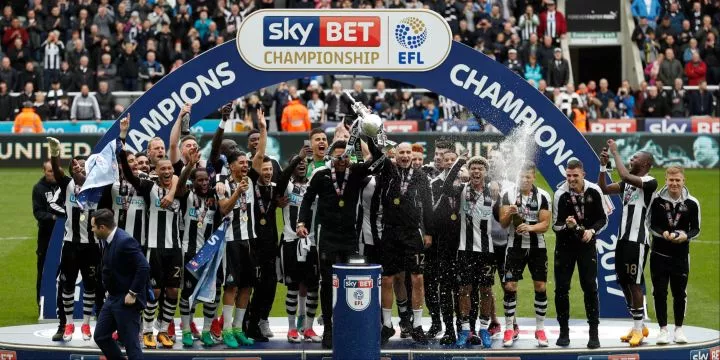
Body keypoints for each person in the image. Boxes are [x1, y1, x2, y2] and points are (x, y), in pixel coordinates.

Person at [297, 134, 383, 349]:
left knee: (350, 282)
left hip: (350, 238)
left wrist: (365, 135)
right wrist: (301, 222)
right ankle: (328, 328)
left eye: (345, 157)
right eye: (337, 157)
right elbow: (307, 199)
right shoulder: (321, 174)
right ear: (330, 158)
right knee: (326, 283)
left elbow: (377, 159)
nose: (341, 160)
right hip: (327, 236)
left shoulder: (356, 173)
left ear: (350, 157)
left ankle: (348, 325)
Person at [118, 117, 181, 349]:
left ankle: (163, 330)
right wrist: (122, 138)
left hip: (174, 246)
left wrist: (175, 187)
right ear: (155, 170)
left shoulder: (180, 188)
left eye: (169, 169)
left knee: (173, 289)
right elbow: (128, 171)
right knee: (154, 289)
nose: (166, 171)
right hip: (153, 245)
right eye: (162, 168)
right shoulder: (147, 186)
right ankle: (147, 331)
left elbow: (181, 175)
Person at [598, 140, 657, 347]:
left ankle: (639, 328)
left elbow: (623, 175)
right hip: (623, 240)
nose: (632, 159)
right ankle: (637, 326)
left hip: (637, 241)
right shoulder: (627, 185)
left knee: (634, 282)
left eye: (635, 158)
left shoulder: (650, 181)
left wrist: (615, 153)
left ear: (646, 164)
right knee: (623, 282)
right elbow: (604, 189)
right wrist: (603, 167)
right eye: (631, 157)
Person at [378, 142, 433, 346]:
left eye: (408, 152)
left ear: (413, 154)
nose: (405, 156)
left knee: (417, 278)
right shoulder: (388, 171)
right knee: (387, 279)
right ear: (395, 154)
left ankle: (417, 325)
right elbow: (377, 155)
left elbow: (428, 207)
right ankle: (386, 325)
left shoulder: (421, 176)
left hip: (412, 233)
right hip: (391, 231)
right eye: (401, 152)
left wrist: (429, 233)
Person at [442, 154, 496, 348]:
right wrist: (458, 164)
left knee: (486, 290)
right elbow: (446, 187)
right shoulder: (462, 190)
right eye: (473, 168)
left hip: (488, 250)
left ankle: (484, 328)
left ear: (485, 173)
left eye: (480, 169)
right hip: (465, 250)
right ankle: (465, 330)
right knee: (464, 289)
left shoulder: (494, 191)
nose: (476, 171)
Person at [552, 159, 607, 349]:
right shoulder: (560, 193)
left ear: (583, 174)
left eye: (575, 175)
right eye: (568, 175)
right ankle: (563, 332)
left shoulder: (594, 190)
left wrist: (591, 231)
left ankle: (594, 334)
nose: (571, 179)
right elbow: (555, 225)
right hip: (565, 247)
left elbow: (603, 219)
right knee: (561, 289)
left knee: (590, 288)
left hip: (587, 245)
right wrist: (567, 227)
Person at [47, 137, 97, 342]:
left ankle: (86, 324)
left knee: (91, 285)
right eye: (76, 165)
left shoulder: (99, 188)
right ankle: (68, 324)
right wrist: (55, 153)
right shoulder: (67, 185)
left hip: (92, 245)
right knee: (66, 286)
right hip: (70, 245)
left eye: (84, 165)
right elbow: (57, 171)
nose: (79, 168)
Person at [499, 162, 551, 347]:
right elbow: (503, 223)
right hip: (514, 246)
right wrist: (510, 213)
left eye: (528, 177)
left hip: (538, 247)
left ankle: (540, 329)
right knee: (510, 286)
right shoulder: (508, 194)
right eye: (522, 176)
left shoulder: (543, 196)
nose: (525, 179)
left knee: (540, 286)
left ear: (533, 177)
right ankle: (508, 329)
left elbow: (545, 224)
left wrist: (530, 227)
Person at [647, 166, 701, 345]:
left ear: (683, 180)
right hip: (659, 254)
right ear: (666, 180)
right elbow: (651, 224)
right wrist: (663, 233)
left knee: (680, 293)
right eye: (671, 180)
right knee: (659, 292)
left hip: (681, 255)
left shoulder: (692, 203)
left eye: (678, 180)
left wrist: (686, 235)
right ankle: (662, 329)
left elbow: (696, 228)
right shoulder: (656, 200)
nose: (674, 184)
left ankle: (679, 329)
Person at [276, 147, 322, 343]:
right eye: (297, 163)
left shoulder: (314, 185)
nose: (302, 164)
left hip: (312, 242)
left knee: (313, 287)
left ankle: (309, 328)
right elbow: (280, 180)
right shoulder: (286, 187)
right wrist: (298, 157)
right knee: (293, 286)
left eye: (304, 162)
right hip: (291, 241)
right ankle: (292, 328)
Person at [92, 208, 150, 360]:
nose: (92, 230)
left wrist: (132, 293)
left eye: (93, 227)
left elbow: (143, 266)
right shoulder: (108, 240)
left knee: (132, 346)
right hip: (112, 299)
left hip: (126, 301)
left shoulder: (125, 241)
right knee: (101, 336)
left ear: (102, 227)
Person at [32, 160, 66, 315]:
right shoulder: (38, 188)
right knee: (44, 271)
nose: (52, 174)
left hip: (66, 236)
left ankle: (65, 304)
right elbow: (38, 213)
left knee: (66, 270)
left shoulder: (65, 185)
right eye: (49, 171)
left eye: (54, 171)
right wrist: (54, 218)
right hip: (47, 237)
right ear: (43, 171)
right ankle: (42, 304)